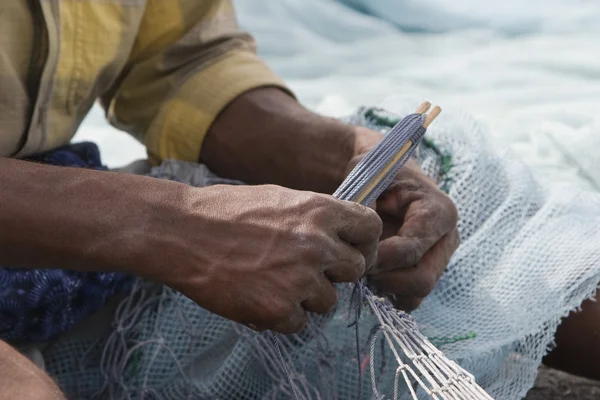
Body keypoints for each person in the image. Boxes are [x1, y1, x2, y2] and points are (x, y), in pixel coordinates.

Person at [0, 1, 597, 399]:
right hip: (64, 223)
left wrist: (340, 155)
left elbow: (181, 61)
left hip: (59, 243)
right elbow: (174, 222)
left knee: (479, 205)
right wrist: (176, 223)